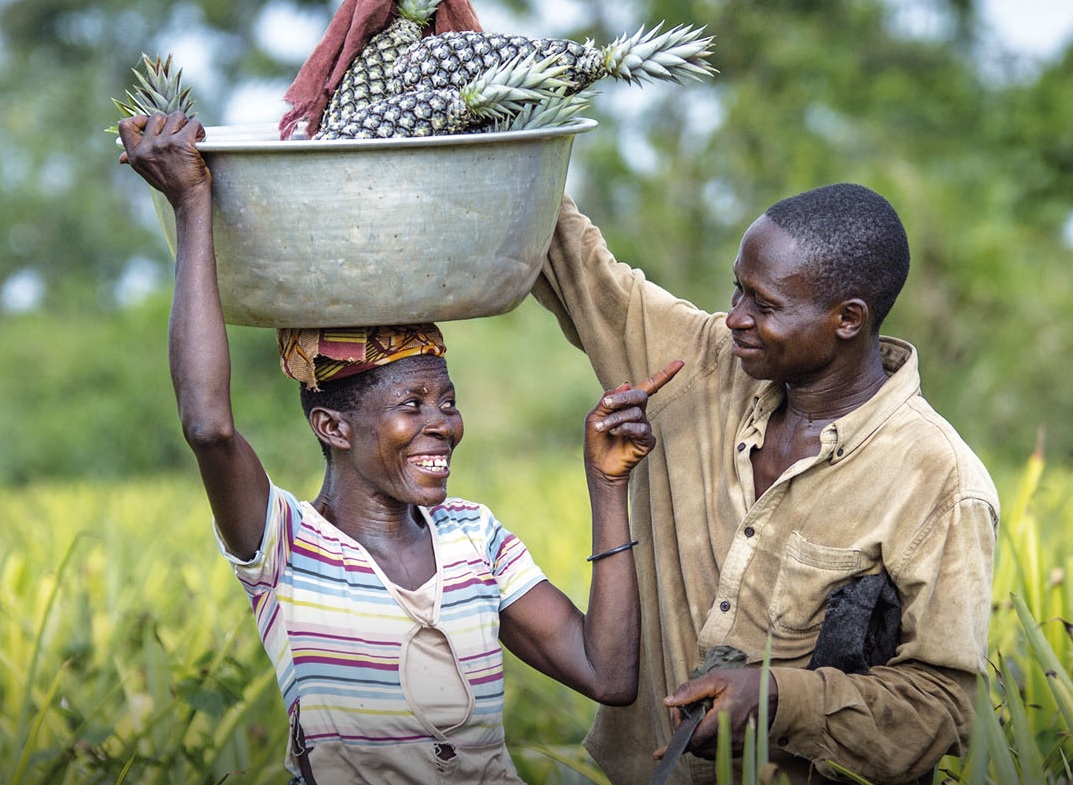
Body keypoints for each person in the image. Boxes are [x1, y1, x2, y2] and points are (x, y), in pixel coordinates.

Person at [116, 109, 683, 785]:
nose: (442, 423)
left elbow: (607, 673)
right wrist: (192, 201)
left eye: (446, 401)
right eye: (412, 405)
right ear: (332, 426)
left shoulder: (475, 538)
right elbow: (209, 426)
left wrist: (608, 487)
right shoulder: (286, 546)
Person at [531, 184, 999, 785]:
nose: (735, 317)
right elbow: (570, 258)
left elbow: (942, 708)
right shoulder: (701, 366)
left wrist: (778, 698)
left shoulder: (938, 480)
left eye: (766, 306)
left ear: (848, 319)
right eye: (738, 289)